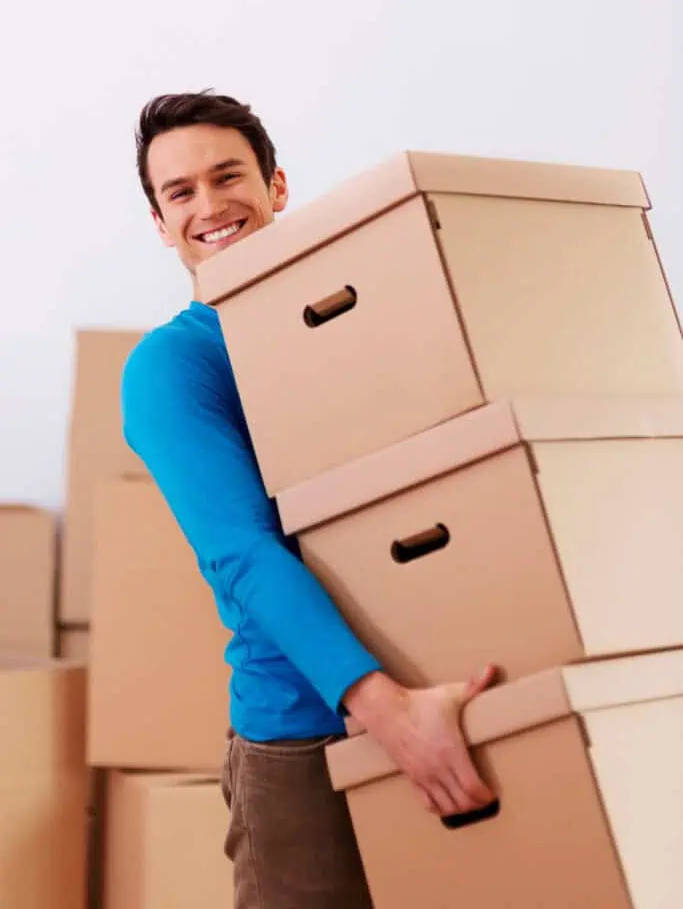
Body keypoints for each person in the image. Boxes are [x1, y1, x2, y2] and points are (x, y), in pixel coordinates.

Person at [121, 90, 497, 909]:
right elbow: (241, 554)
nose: (210, 206)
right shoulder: (173, 367)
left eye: (228, 177)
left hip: (456, 691)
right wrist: (384, 709)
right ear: (159, 222)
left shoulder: (364, 320)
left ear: (277, 186)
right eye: (180, 193)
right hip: (308, 733)